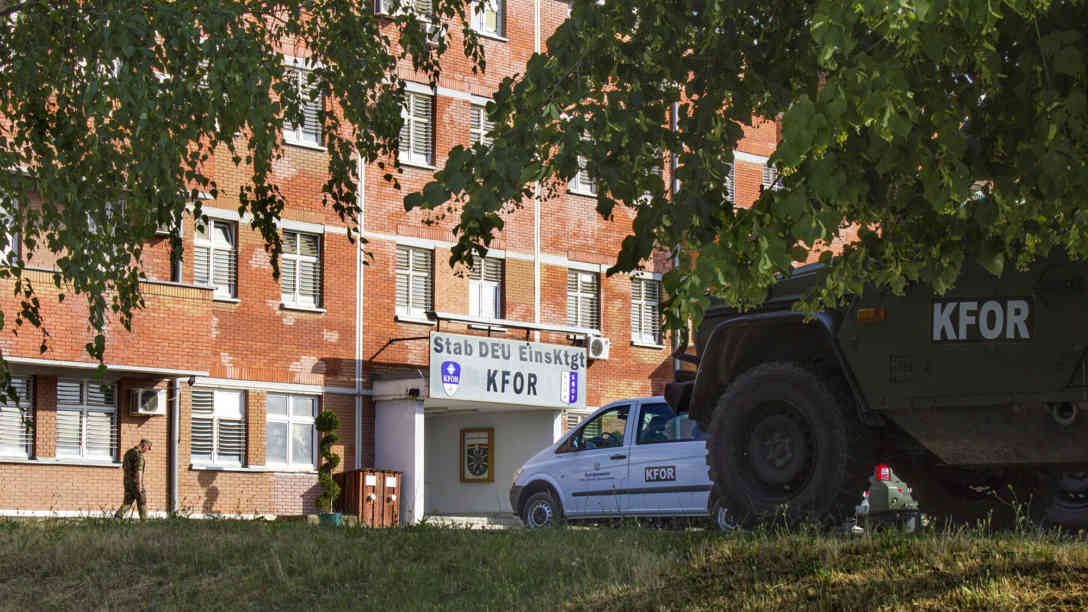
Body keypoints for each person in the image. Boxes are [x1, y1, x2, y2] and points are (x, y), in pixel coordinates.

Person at [115, 439, 151, 520]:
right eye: (147, 448)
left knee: (128, 501)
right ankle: (144, 521)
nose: (147, 451)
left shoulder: (128, 453)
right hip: (136, 482)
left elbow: (124, 467)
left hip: (127, 481)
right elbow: (139, 471)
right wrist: (139, 485)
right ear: (144, 446)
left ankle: (117, 517)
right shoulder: (139, 456)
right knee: (142, 501)